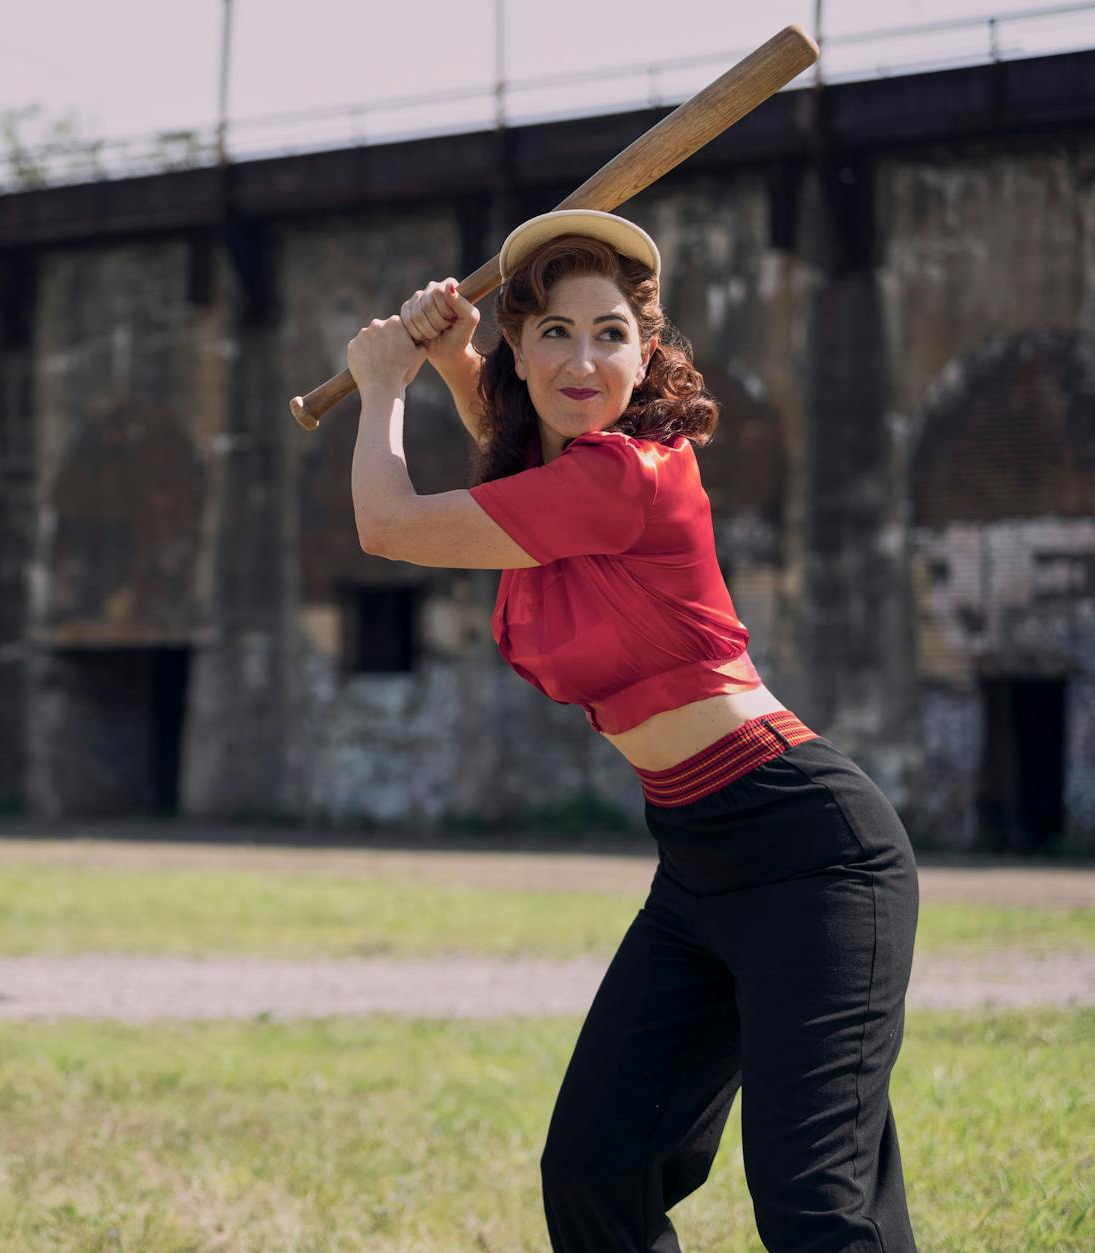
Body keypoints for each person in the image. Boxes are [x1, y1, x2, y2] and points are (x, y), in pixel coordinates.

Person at [345, 209, 919, 1251]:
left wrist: (384, 379)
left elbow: (383, 524)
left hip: (808, 849)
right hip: (694, 865)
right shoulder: (558, 479)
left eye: (610, 332)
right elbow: (515, 428)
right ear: (518, 351)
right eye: (553, 333)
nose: (583, 357)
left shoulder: (629, 476)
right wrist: (448, 354)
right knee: (595, 1167)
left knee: (812, 1201)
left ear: (644, 352)